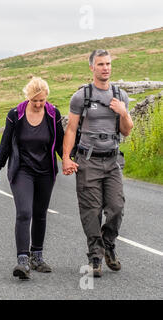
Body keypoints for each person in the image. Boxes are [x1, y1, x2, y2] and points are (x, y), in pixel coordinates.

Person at [62, 49, 133, 277]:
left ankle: (108, 244)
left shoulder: (120, 96)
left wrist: (123, 113)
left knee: (116, 207)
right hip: (88, 161)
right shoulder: (81, 96)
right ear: (92, 67)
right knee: (91, 211)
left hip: (112, 160)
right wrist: (66, 158)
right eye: (101, 64)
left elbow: (127, 131)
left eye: (108, 64)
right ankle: (95, 255)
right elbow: (71, 129)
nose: (106, 68)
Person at [0, 77, 64, 280]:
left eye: (42, 100)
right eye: (35, 101)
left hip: (46, 171)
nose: (39, 104)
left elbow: (60, 142)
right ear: (28, 98)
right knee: (24, 212)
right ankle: (22, 260)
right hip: (22, 170)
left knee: (40, 214)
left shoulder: (52, 113)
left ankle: (37, 257)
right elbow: (5, 143)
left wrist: (68, 159)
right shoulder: (16, 114)